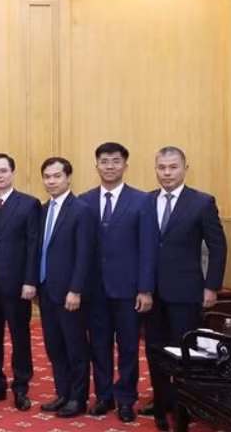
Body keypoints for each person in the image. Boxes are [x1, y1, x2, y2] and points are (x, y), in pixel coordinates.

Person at [143, 146, 227, 431]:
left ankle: (186, 405)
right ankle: (161, 401)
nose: (167, 173)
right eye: (162, 167)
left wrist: (211, 286)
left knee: (184, 352)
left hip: (186, 291)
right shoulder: (147, 201)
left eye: (173, 167)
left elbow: (218, 248)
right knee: (155, 351)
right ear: (155, 168)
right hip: (151, 293)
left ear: (184, 168)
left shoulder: (202, 202)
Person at [78, 143, 157, 423]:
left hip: (128, 290)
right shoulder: (83, 200)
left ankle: (125, 398)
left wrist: (145, 288)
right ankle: (103, 395)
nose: (109, 166)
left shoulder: (142, 201)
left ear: (125, 165)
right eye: (104, 161)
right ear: (96, 165)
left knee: (128, 348)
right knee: (98, 345)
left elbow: (148, 248)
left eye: (115, 161)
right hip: (94, 290)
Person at [0, 153, 40, 411]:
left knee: (20, 337)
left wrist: (30, 281)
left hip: (17, 285)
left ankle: (21, 386)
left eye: (3, 171)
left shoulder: (28, 204)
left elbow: (34, 245)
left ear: (12, 173)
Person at [37, 157, 95, 418]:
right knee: (54, 347)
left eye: (56, 176)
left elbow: (85, 254)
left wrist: (76, 289)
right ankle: (63, 393)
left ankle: (78, 398)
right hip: (47, 291)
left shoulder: (81, 209)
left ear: (68, 177)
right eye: (47, 176)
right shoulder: (42, 209)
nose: (51, 181)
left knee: (76, 348)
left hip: (70, 293)